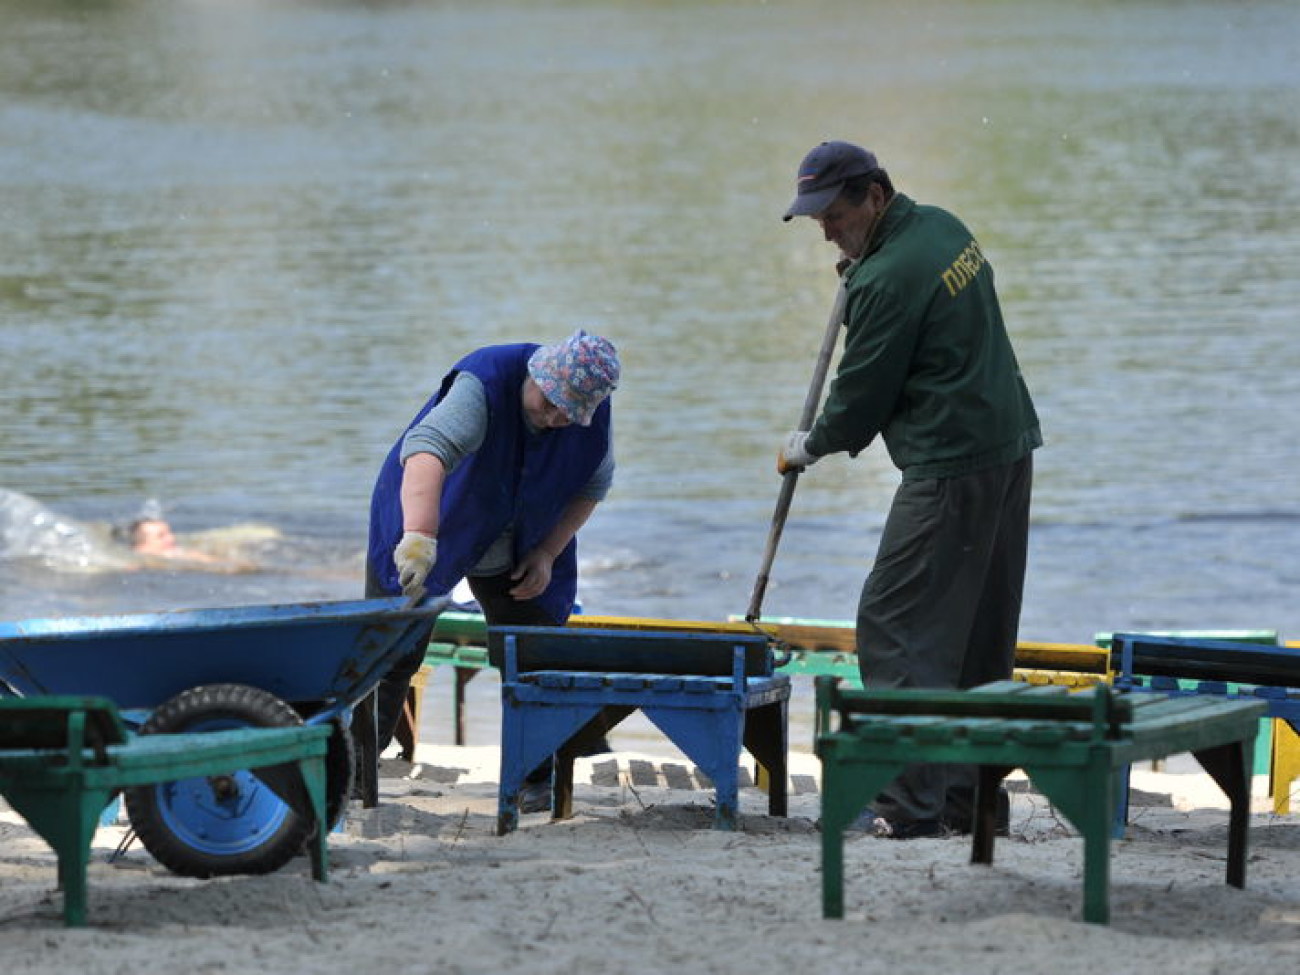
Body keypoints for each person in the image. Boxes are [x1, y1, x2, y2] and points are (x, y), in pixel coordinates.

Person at [777, 140, 1042, 839]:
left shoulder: (886, 278)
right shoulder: (944, 228)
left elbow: (861, 395)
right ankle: (970, 803)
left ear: (874, 195)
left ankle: (906, 805)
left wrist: (810, 443)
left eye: (835, 214)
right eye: (817, 220)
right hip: (1008, 449)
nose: (827, 229)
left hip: (952, 466)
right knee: (977, 639)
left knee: (895, 625)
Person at [362, 329, 620, 808]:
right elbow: (426, 452)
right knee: (391, 650)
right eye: (549, 402)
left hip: (521, 532)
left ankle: (534, 778)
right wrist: (418, 537)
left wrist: (547, 552)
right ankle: (357, 772)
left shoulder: (590, 410)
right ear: (536, 376)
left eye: (570, 412)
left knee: (536, 647)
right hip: (437, 513)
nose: (558, 416)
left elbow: (593, 485)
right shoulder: (483, 385)